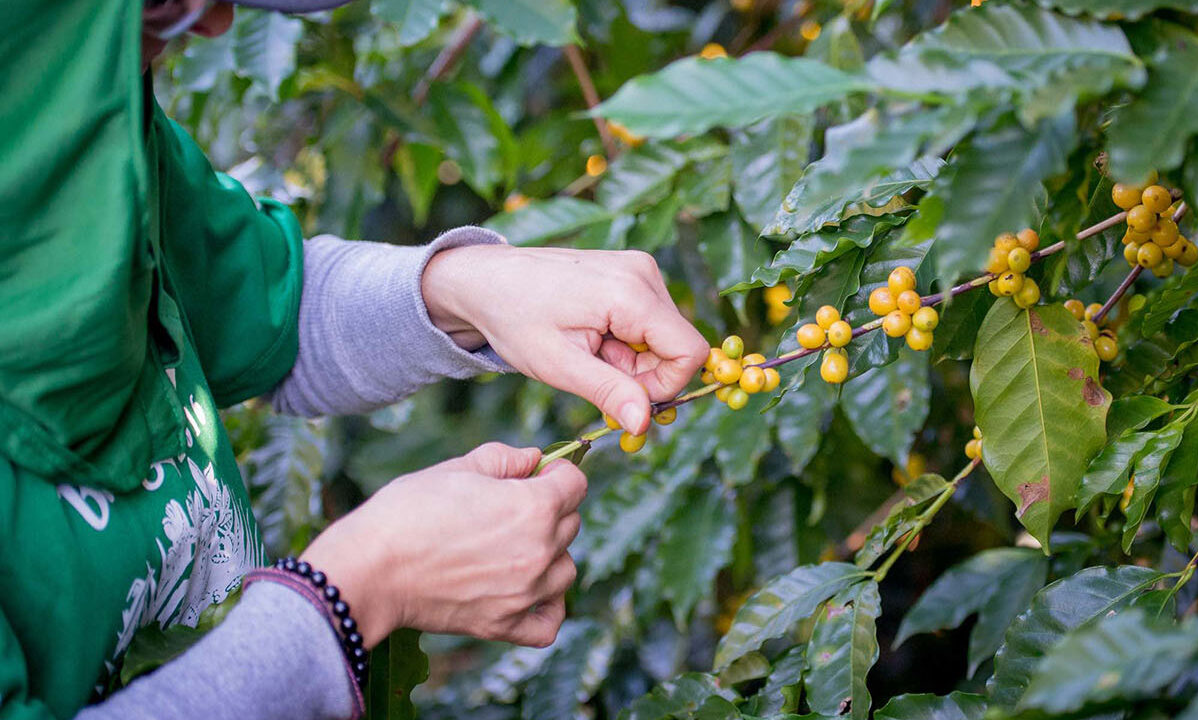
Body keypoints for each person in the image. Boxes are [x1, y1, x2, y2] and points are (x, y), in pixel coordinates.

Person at [0, 1, 710, 718]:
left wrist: (464, 290)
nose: (215, 27)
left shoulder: (80, 125)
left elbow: (267, 303)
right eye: (158, 7)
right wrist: (363, 587)